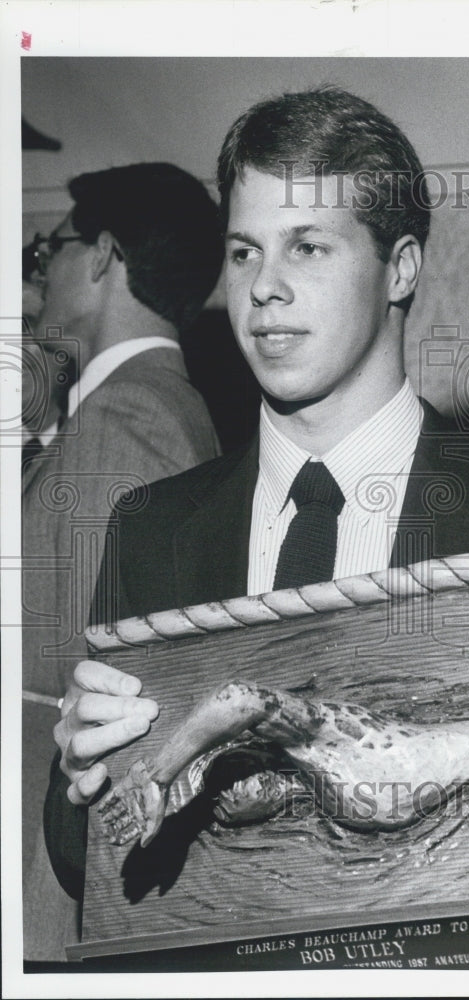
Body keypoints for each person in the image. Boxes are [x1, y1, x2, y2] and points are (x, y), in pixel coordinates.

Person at [43, 87, 469, 908]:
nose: (263, 289)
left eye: (307, 247)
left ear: (399, 268)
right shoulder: (152, 527)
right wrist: (83, 775)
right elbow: (89, 866)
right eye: (244, 252)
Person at [23, 162, 224, 958]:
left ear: (103, 254)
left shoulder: (126, 415)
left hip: (44, 856)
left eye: (52, 250)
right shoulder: (155, 403)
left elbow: (98, 671)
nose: (40, 274)